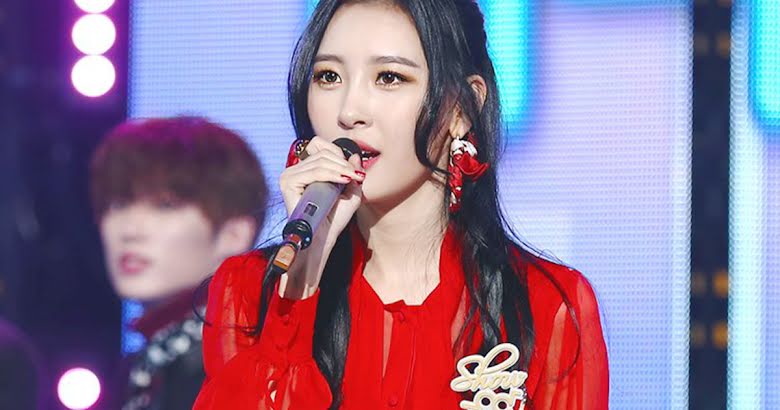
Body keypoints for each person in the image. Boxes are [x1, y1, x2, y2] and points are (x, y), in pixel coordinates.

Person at [195, 1, 608, 409]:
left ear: (462, 107)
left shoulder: (547, 306)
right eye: (329, 76)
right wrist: (301, 281)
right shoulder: (247, 291)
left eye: (389, 77)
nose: (349, 112)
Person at [90, 116, 268, 410]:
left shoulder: (244, 368)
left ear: (234, 233)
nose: (130, 230)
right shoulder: (141, 369)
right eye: (119, 204)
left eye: (165, 205)